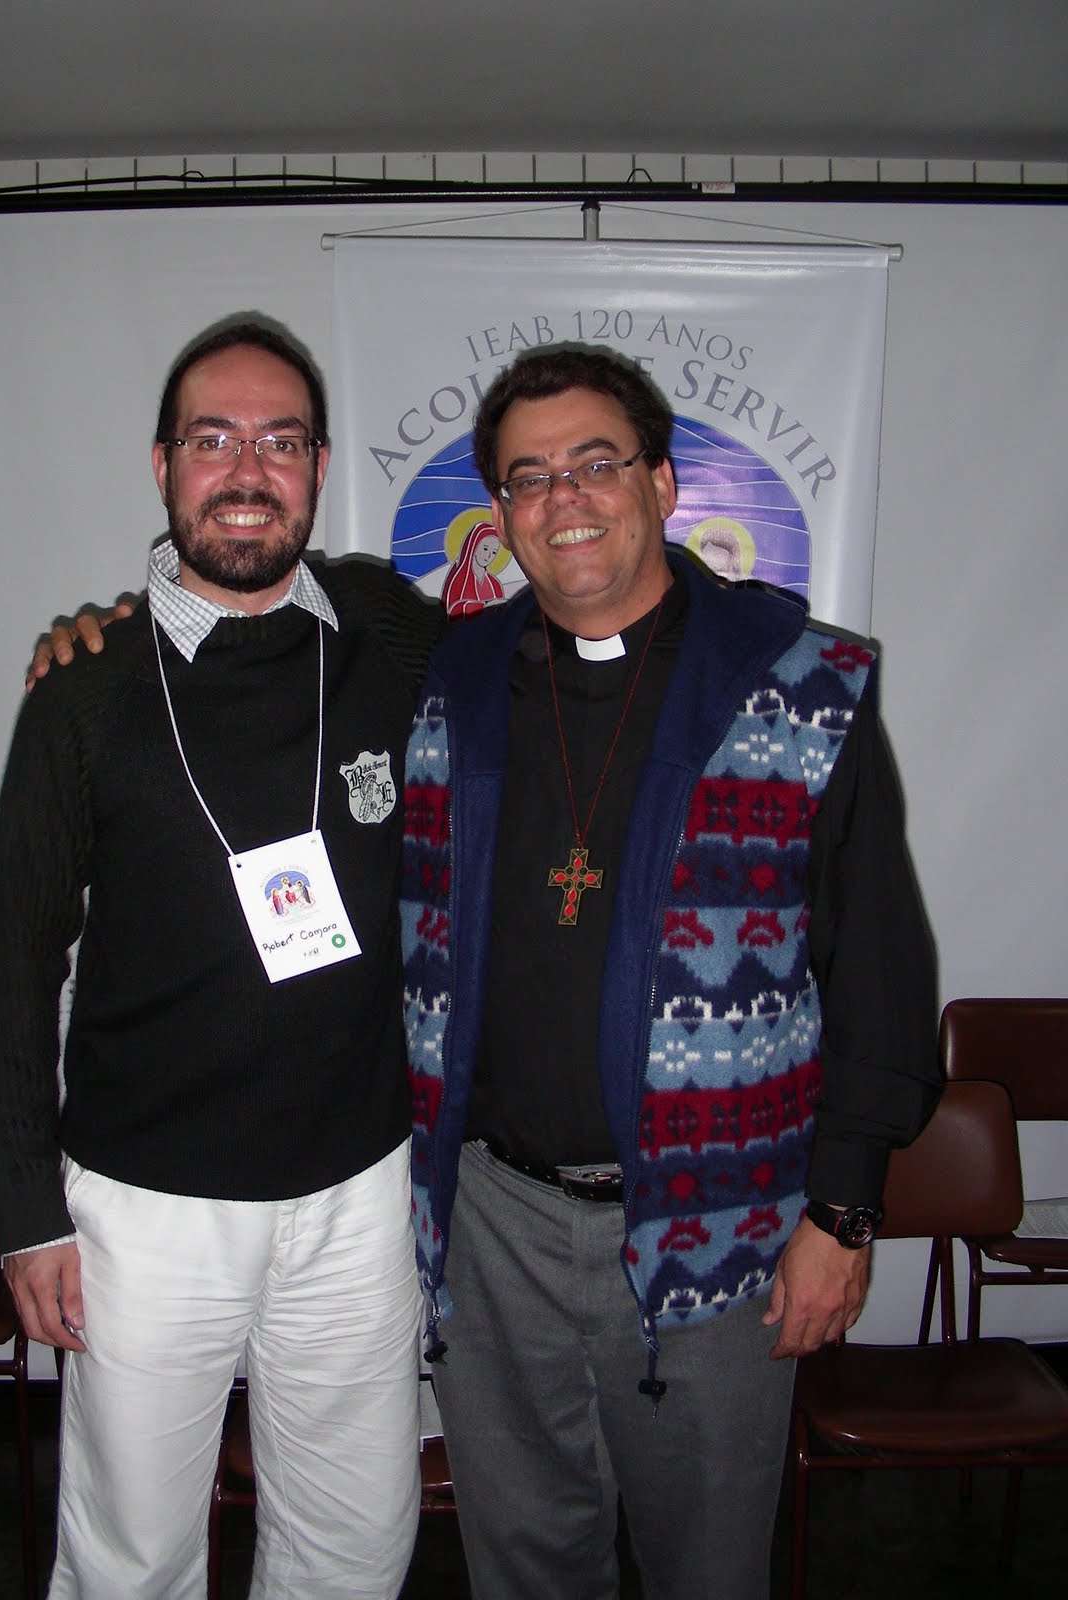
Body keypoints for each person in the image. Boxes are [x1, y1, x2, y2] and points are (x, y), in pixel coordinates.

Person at [401, 344, 940, 1599]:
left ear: (662, 483)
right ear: (500, 514)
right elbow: (269, 599)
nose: (565, 498)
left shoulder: (808, 683)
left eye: (597, 462)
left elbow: (882, 973)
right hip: (489, 1219)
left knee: (708, 1567)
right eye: (528, 478)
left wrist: (842, 1211)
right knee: (523, 1562)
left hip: (727, 1225)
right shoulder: (445, 677)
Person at [0, 317, 442, 1600]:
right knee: (131, 1553)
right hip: (144, 1204)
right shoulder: (85, 687)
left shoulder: (390, 637)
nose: (248, 469)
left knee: (354, 1541)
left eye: (280, 440)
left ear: (321, 465)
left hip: (358, 1190)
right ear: (164, 466)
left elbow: (568, 639)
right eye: (215, 439)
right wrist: (25, 1210)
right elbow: (15, 960)